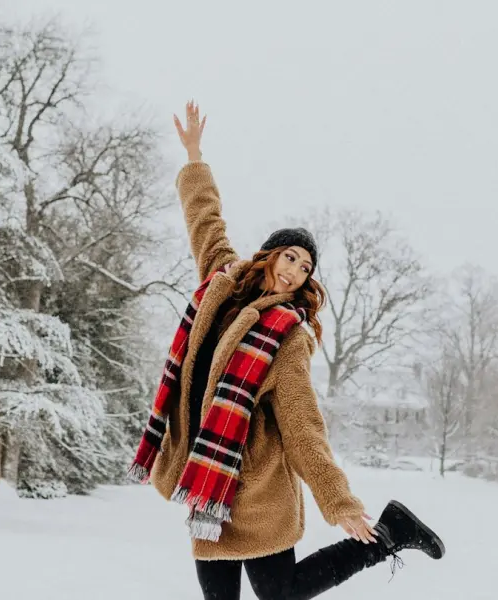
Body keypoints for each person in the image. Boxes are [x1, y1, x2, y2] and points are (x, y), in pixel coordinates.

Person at [128, 100, 445, 600]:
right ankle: (394, 532)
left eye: (304, 268)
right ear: (271, 254)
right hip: (206, 482)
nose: (295, 271)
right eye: (290, 257)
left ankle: (391, 534)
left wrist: (338, 502)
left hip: (253, 489)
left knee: (281, 593)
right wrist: (194, 154)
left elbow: (302, 426)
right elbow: (205, 219)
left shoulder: (288, 336)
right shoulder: (222, 281)